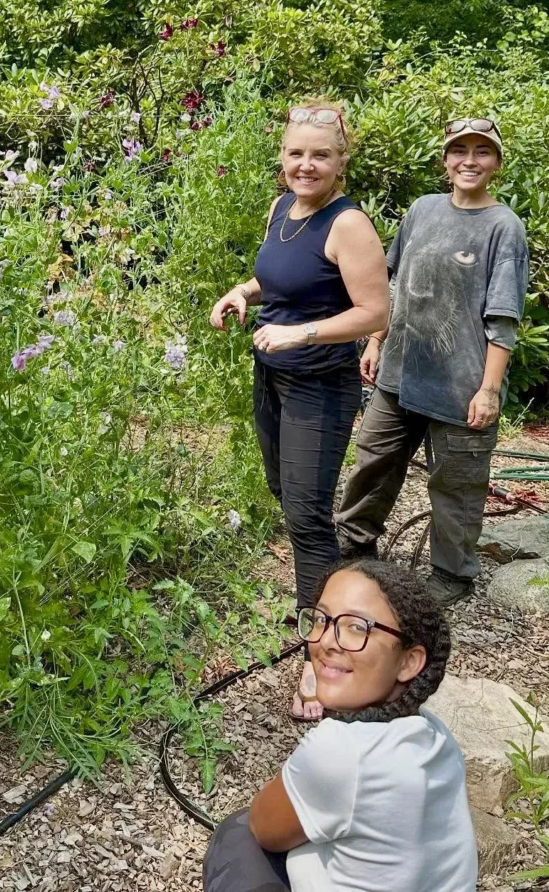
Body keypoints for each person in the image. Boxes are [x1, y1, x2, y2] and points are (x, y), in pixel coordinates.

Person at [210, 102, 389, 720]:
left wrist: (301, 335)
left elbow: (374, 314)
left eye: (320, 155)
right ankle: (329, 592)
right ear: (283, 158)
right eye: (296, 153)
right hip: (273, 378)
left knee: (309, 518)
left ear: (342, 163)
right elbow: (281, 280)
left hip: (320, 384)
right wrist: (243, 292)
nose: (305, 165)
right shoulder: (282, 209)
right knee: (287, 500)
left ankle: (324, 662)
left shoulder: (350, 225)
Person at [334, 117, 529, 607]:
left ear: (496, 163)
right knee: (373, 461)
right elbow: (391, 283)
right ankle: (354, 547)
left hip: (462, 386)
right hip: (400, 372)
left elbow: (502, 317)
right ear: (444, 161)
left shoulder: (503, 227)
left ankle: (451, 575)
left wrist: (488, 390)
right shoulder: (423, 210)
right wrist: (376, 340)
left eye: (481, 152)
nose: (469, 160)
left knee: (457, 485)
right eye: (459, 151)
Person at [203, 560, 477, 892]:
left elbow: (264, 828)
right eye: (321, 619)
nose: (327, 642)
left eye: (357, 627)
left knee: (237, 835)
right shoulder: (436, 735)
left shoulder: (342, 750)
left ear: (408, 661)